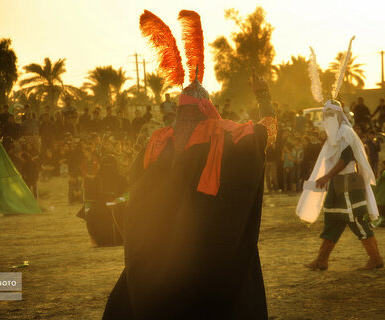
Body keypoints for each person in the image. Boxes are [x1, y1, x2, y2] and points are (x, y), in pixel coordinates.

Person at [102, 14, 276, 317]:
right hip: (210, 266)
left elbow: (133, 196)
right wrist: (263, 95)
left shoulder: (155, 145)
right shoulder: (228, 138)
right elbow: (269, 131)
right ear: (209, 108)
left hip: (156, 267)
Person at [298, 100, 383, 271]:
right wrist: (326, 178)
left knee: (357, 221)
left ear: (338, 114)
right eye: (326, 114)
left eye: (331, 114)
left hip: (348, 185)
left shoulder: (346, 133)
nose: (328, 118)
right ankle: (321, 260)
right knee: (332, 221)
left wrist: (326, 176)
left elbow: (346, 158)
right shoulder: (333, 135)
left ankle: (376, 258)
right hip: (336, 185)